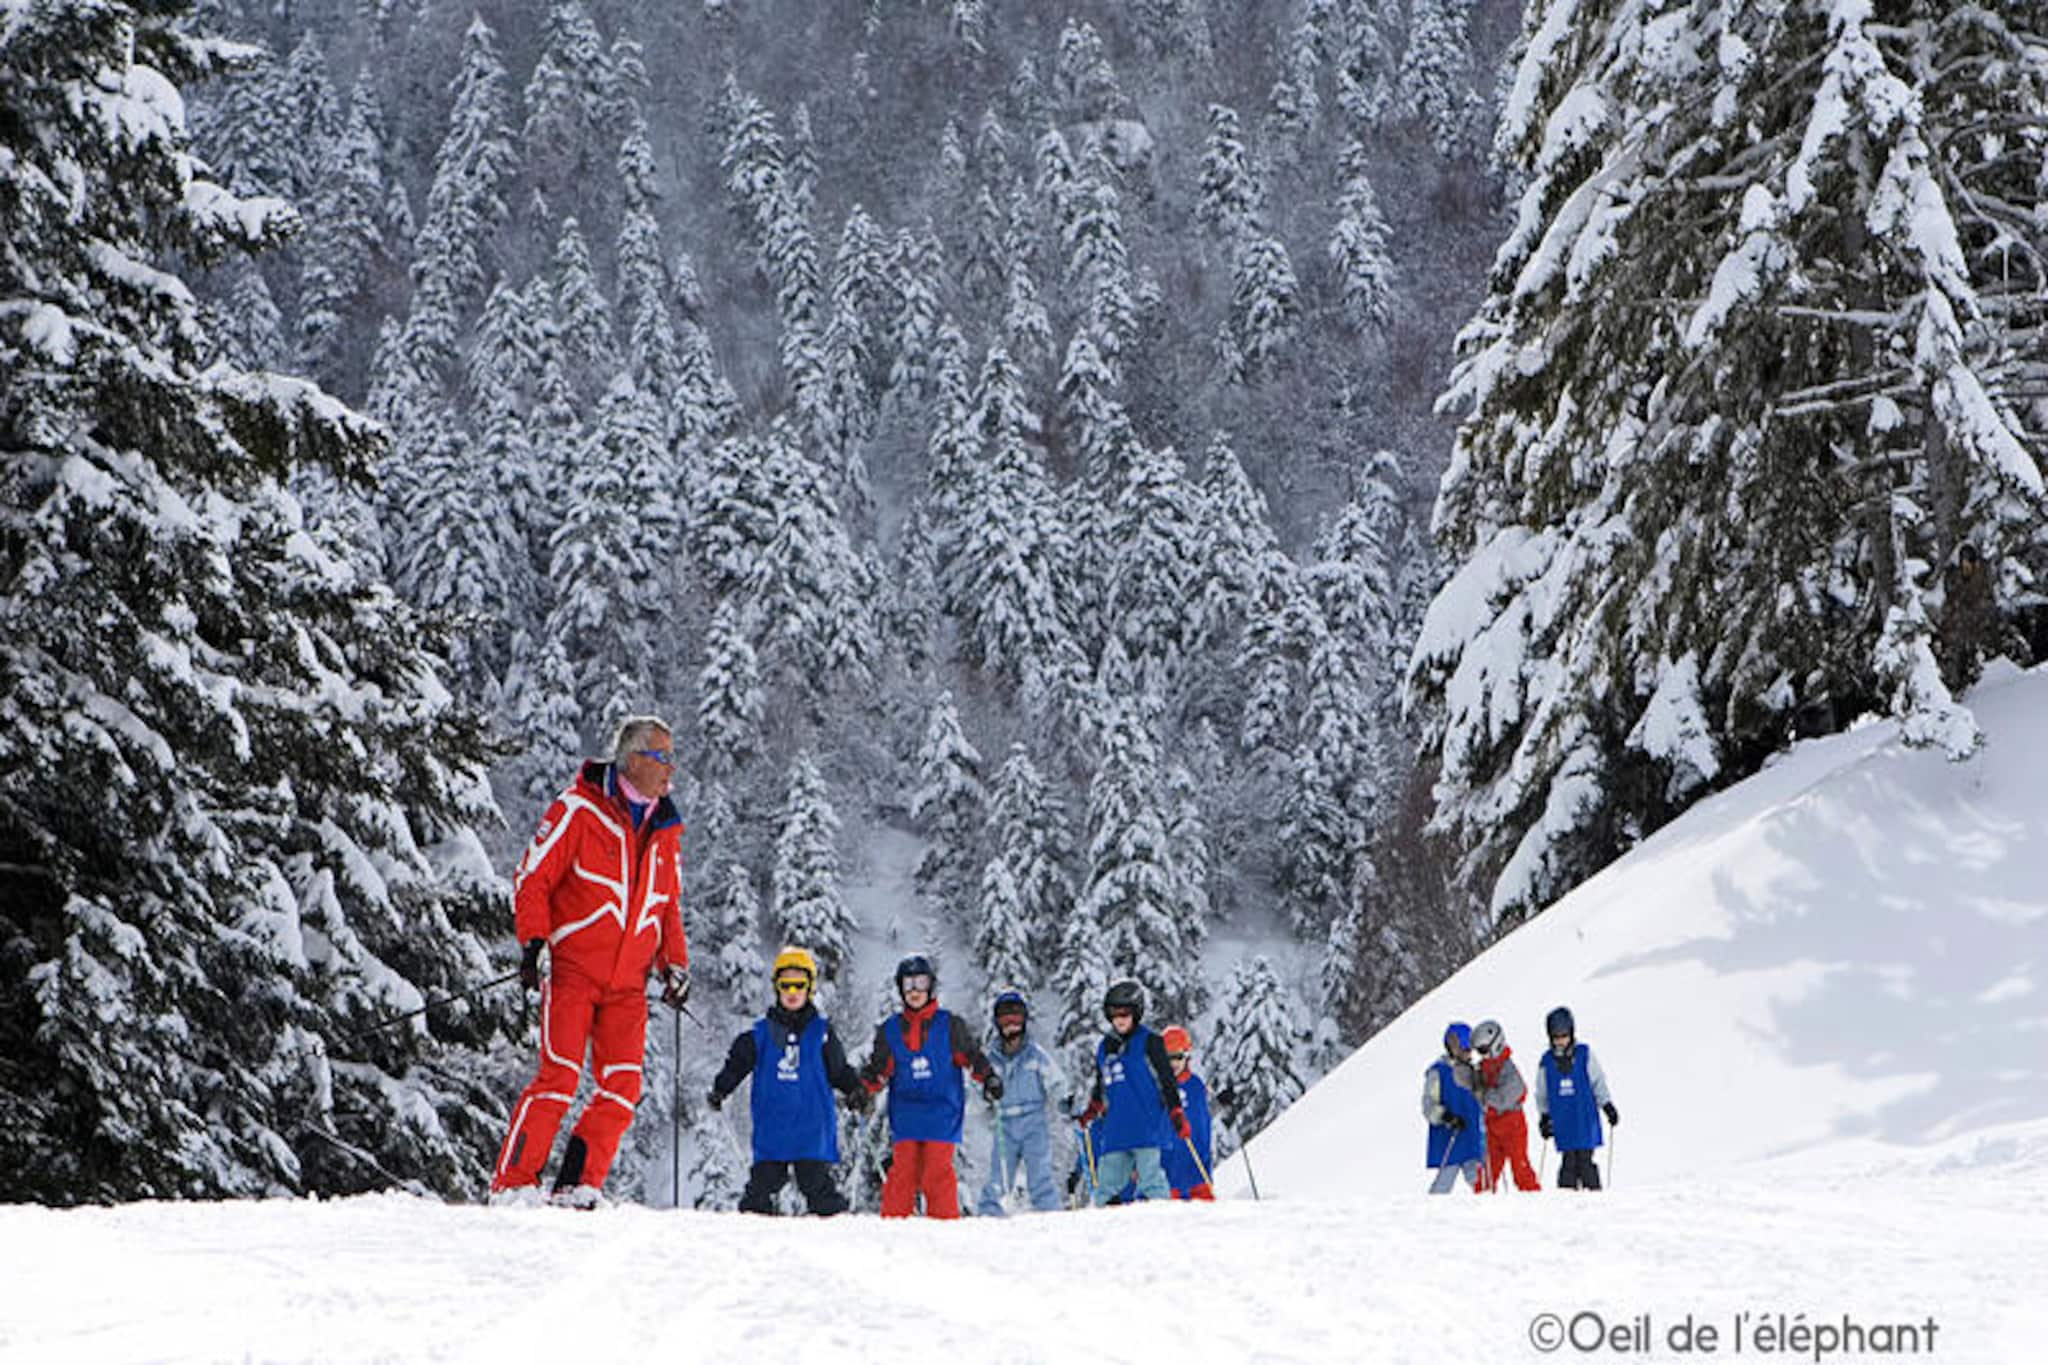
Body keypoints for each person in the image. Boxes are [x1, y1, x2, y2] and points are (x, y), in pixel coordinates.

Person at [491, 715, 690, 1208]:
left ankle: (577, 1185)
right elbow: (532, 877)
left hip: (629, 984)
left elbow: (665, 905)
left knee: (622, 1086)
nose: (672, 770)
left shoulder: (665, 829)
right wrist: (534, 941)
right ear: (634, 759)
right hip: (574, 970)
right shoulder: (579, 809)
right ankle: (513, 1184)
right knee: (558, 1076)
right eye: (663, 758)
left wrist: (675, 965)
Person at [707, 946, 868, 1215]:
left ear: (810, 988)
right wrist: (721, 1088)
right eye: (786, 985)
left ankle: (838, 1236)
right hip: (774, 1127)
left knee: (816, 1185)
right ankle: (750, 1239)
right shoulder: (760, 1034)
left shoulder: (822, 1033)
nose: (792, 992)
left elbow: (839, 1070)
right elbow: (737, 1063)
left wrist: (855, 1090)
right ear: (777, 988)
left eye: (799, 985)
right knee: (762, 1186)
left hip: (811, 1128)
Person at [858, 954, 1001, 1218]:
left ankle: (943, 1228)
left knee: (936, 1170)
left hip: (941, 1112)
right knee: (904, 1170)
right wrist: (862, 1089)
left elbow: (971, 1056)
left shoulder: (949, 1026)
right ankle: (893, 1226)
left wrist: (988, 1077)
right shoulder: (890, 1030)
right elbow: (879, 1069)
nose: (914, 991)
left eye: (920, 983)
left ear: (931, 987)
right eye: (908, 984)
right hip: (906, 1113)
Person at [1075, 979, 1188, 1206]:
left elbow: (1167, 1080)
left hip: (1146, 1125)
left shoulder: (1151, 1042)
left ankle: (1167, 1222)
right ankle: (1109, 1228)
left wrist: (1175, 1110)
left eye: (1125, 1015)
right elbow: (1101, 1085)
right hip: (1117, 1127)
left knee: (1151, 1179)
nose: (1120, 1020)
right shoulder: (1105, 1047)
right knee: (1107, 1183)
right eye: (1115, 1015)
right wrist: (1092, 1109)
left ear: (1137, 1013)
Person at [976, 989, 1069, 1216]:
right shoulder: (990, 1059)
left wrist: (1064, 1101)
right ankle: (989, 1217)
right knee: (999, 1177)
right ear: (997, 1023)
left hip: (1033, 1122)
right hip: (1004, 1122)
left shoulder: (1035, 1055)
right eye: (1005, 1018)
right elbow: (975, 1093)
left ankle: (1050, 1216)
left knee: (1040, 1175)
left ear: (1024, 1020)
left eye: (1016, 1017)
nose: (1011, 1024)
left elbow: (1056, 1082)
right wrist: (986, 1096)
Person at [1536, 1006, 1618, 1191]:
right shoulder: (1546, 1062)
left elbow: (1597, 1081)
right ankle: (1566, 1200)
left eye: (1564, 1036)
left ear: (1571, 1033)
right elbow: (1542, 1092)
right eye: (1556, 1037)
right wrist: (1544, 1117)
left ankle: (1594, 1195)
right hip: (1563, 1120)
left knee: (1585, 1160)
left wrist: (1607, 1105)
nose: (1560, 1041)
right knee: (1569, 1163)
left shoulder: (1584, 1054)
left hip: (1584, 1118)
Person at [1471, 1019, 1542, 1192]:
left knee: (1520, 1168)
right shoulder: (1485, 1067)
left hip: (1512, 1126)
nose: (1482, 1055)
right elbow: (1477, 1086)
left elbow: (1509, 1095)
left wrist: (1485, 1095)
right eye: (1479, 1052)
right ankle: (1481, 1203)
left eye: (1484, 1050)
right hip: (1493, 1125)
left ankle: (1534, 1200)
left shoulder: (1509, 1070)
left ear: (1496, 1044)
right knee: (1488, 1171)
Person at [1423, 1021, 1485, 1194]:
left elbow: (1482, 1099)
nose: (1467, 1054)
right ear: (1451, 1046)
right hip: (1450, 1135)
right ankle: (1431, 1212)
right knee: (1445, 1180)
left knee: (1479, 1179)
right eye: (1463, 1049)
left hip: (1472, 1135)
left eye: (1469, 1050)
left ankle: (1489, 1211)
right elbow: (1428, 1104)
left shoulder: (1473, 1072)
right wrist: (1445, 1117)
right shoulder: (1439, 1072)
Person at [1158, 1026, 1215, 1200]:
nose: (1173, 1063)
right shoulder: (1155, 1088)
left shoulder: (1195, 1085)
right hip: (1168, 1174)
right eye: (1168, 1058)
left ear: (1187, 1056)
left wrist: (1221, 1101)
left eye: (1178, 1057)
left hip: (1197, 1171)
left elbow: (1203, 1121)